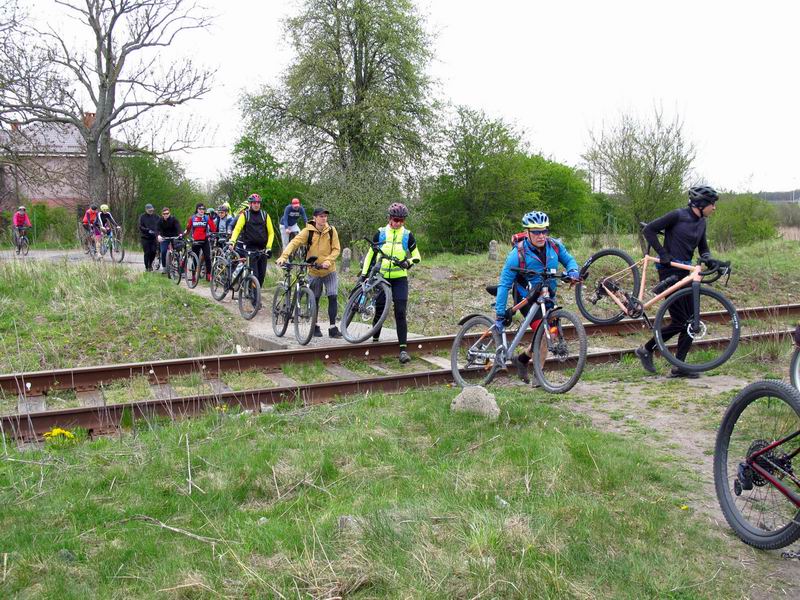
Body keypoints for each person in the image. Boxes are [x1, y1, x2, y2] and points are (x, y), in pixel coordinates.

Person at [635, 185, 720, 379]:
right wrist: (663, 253)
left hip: (687, 273)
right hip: (669, 271)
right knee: (681, 321)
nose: (714, 208)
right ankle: (647, 349)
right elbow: (649, 230)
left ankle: (679, 365)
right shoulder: (677, 215)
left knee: (692, 321)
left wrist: (709, 258)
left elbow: (703, 248)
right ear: (702, 204)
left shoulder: (701, 223)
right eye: (712, 204)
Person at [495, 211, 580, 383]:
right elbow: (504, 284)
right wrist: (499, 312)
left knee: (551, 333)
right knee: (544, 332)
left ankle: (523, 359)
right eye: (536, 232)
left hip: (547, 294)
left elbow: (569, 260)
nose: (541, 235)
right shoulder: (517, 254)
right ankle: (539, 376)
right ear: (527, 233)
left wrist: (573, 272)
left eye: (544, 231)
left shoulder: (554, 246)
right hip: (526, 296)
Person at [359, 202, 422, 363]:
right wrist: (365, 274)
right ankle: (374, 343)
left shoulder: (407, 235)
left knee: (400, 312)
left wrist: (408, 262)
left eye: (401, 220)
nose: (398, 223)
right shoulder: (380, 233)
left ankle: (403, 350)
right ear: (389, 219)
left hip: (400, 278)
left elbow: (417, 256)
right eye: (396, 220)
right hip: (382, 278)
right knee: (379, 309)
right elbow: (370, 255)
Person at [276, 207, 342, 338]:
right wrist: (284, 256)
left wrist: (329, 260)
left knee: (332, 296)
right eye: (321, 216)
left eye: (325, 216)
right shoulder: (308, 232)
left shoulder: (331, 231)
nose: (324, 218)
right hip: (314, 270)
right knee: (315, 298)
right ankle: (315, 326)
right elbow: (294, 243)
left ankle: (332, 328)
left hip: (329, 270)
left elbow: (336, 249)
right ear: (315, 218)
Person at [228, 193, 274, 287]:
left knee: (261, 276)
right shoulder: (245, 215)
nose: (256, 205)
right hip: (249, 248)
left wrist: (269, 247)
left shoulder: (265, 215)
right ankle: (255, 298)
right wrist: (232, 241)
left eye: (258, 203)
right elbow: (237, 229)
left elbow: (271, 233)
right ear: (250, 204)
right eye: (254, 203)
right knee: (255, 275)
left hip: (263, 249)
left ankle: (254, 291)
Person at [185, 202, 217, 281]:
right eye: (200, 209)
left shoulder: (206, 218)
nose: (202, 210)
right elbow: (188, 229)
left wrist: (212, 220)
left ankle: (208, 275)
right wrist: (183, 235)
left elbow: (213, 229)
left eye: (203, 209)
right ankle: (193, 276)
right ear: (197, 209)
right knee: (195, 259)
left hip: (204, 240)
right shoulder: (192, 218)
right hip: (195, 241)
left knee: (207, 257)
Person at [157, 206, 181, 274]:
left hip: (174, 237)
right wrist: (158, 236)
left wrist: (180, 234)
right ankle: (164, 267)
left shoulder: (174, 219)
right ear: (162, 214)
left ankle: (178, 266)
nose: (166, 215)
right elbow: (157, 229)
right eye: (164, 214)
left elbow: (178, 227)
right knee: (163, 251)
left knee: (177, 251)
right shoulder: (160, 220)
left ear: (169, 213)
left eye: (167, 213)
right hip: (164, 237)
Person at [138, 203, 160, 271]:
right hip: (145, 238)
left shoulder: (156, 217)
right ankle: (147, 267)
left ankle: (150, 264)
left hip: (154, 238)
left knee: (153, 252)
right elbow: (140, 226)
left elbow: (160, 225)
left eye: (152, 210)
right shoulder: (142, 217)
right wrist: (147, 230)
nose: (151, 211)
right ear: (146, 210)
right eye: (149, 210)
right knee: (147, 252)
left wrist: (159, 232)